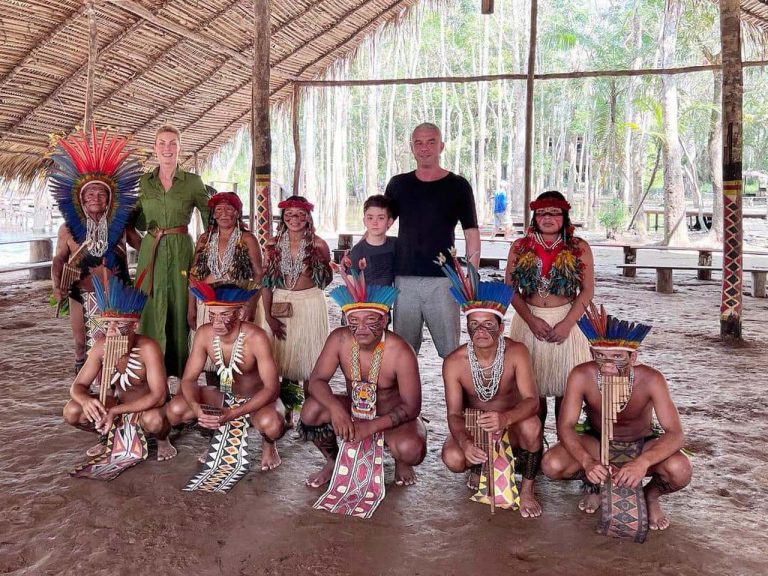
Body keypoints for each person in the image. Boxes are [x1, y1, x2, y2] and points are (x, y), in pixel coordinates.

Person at [541, 304, 692, 532]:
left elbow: (676, 434)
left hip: (642, 443)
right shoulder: (582, 375)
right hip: (595, 442)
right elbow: (566, 427)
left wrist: (643, 462)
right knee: (552, 464)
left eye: (617, 357)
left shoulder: (651, 379)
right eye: (601, 356)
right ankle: (594, 485)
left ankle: (649, 496)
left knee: (680, 470)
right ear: (592, 354)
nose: (608, 366)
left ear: (633, 357)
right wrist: (587, 462)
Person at [298, 266, 426, 493]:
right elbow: (317, 380)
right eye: (354, 320)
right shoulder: (339, 339)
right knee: (310, 411)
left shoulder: (400, 350)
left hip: (391, 419)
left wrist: (371, 426)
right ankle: (332, 460)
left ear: (385, 318)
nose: (362, 328)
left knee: (411, 449)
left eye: (370, 320)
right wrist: (336, 410)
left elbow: (412, 406)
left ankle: (401, 462)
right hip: (354, 412)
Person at [438, 252, 543, 518]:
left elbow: (532, 401)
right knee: (453, 457)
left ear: (501, 326)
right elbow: (453, 413)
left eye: (488, 324)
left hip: (513, 420)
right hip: (475, 423)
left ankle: (528, 489)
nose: (481, 331)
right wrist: (463, 441)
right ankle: (477, 465)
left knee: (532, 426)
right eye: (474, 325)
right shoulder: (454, 362)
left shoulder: (516, 352)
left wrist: (506, 417)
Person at [49, 126, 141, 374]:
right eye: (90, 193)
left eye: (101, 193)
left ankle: (115, 388)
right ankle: (84, 386)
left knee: (119, 343)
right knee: (81, 343)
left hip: (117, 295)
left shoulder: (121, 226)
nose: (95, 198)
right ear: (80, 198)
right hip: (81, 294)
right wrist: (57, 285)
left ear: (110, 198)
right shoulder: (68, 229)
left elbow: (144, 246)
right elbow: (59, 259)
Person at [384, 122, 480, 359]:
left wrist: (472, 277)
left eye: (430, 142)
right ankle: (406, 398)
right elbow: (379, 224)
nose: (424, 148)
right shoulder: (398, 184)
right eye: (418, 142)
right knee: (403, 353)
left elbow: (471, 232)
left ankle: (455, 397)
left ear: (441, 146)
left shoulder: (458, 185)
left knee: (451, 352)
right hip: (404, 278)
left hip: (444, 280)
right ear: (412, 147)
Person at [167, 281, 285, 473]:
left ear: (239, 314)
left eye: (224, 315)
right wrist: (197, 409)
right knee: (176, 409)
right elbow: (188, 379)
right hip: (224, 397)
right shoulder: (204, 334)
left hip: (258, 401)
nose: (216, 323)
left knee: (271, 424)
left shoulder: (256, 337)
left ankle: (269, 445)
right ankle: (215, 439)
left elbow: (271, 389)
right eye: (212, 315)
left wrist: (234, 414)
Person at [127, 125, 210, 380]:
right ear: (154, 148)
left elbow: (212, 222)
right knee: (150, 309)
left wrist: (207, 257)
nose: (167, 148)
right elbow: (131, 221)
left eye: (172, 143)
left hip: (182, 250)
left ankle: (184, 379)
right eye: (162, 143)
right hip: (151, 254)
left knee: (181, 309)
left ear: (180, 148)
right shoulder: (143, 183)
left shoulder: (193, 182)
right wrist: (145, 246)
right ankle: (150, 377)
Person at [504, 190, 594, 427]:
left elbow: (586, 291)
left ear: (565, 216)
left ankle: (567, 455)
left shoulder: (579, 247)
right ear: (534, 217)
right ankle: (534, 454)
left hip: (567, 319)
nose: (547, 217)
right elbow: (509, 289)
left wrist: (567, 325)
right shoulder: (520, 247)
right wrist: (531, 320)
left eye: (554, 213)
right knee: (532, 393)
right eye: (541, 213)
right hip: (528, 320)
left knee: (568, 393)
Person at [63, 273, 175, 461]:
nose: (112, 330)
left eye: (120, 323)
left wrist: (115, 411)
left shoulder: (148, 348)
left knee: (154, 421)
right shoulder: (101, 345)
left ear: (134, 326)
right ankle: (106, 435)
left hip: (148, 409)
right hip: (118, 406)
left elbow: (159, 396)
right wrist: (86, 401)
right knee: (72, 411)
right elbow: (77, 386)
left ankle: (163, 439)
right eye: (108, 324)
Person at [261, 195, 332, 421]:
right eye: (290, 214)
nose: (295, 219)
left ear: (308, 218)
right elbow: (266, 282)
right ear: (283, 217)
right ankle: (289, 410)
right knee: (286, 361)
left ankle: (311, 416)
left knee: (311, 362)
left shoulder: (319, 244)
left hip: (310, 303)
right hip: (281, 301)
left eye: (300, 214)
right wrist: (269, 316)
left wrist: (318, 265)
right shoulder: (272, 244)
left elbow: (325, 280)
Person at [188, 192, 263, 384]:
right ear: (213, 214)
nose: (224, 213)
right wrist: (191, 307)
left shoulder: (247, 239)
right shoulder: (205, 239)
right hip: (208, 303)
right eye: (219, 209)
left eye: (229, 209)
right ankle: (216, 398)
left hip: (237, 303)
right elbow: (194, 275)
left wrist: (251, 304)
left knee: (239, 354)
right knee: (213, 354)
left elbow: (258, 273)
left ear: (238, 212)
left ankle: (238, 401)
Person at [347, 194, 397, 287]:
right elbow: (351, 283)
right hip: (365, 300)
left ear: (389, 222)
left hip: (390, 299)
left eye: (381, 218)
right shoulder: (358, 251)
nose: (375, 222)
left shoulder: (396, 244)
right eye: (370, 218)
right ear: (364, 221)